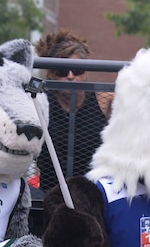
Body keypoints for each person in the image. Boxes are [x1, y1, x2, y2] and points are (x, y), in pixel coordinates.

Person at [34, 29, 113, 192]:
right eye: (62, 71)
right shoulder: (40, 102)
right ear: (52, 74)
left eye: (77, 70)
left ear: (85, 73)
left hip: (93, 195)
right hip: (49, 194)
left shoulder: (104, 100)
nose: (71, 76)